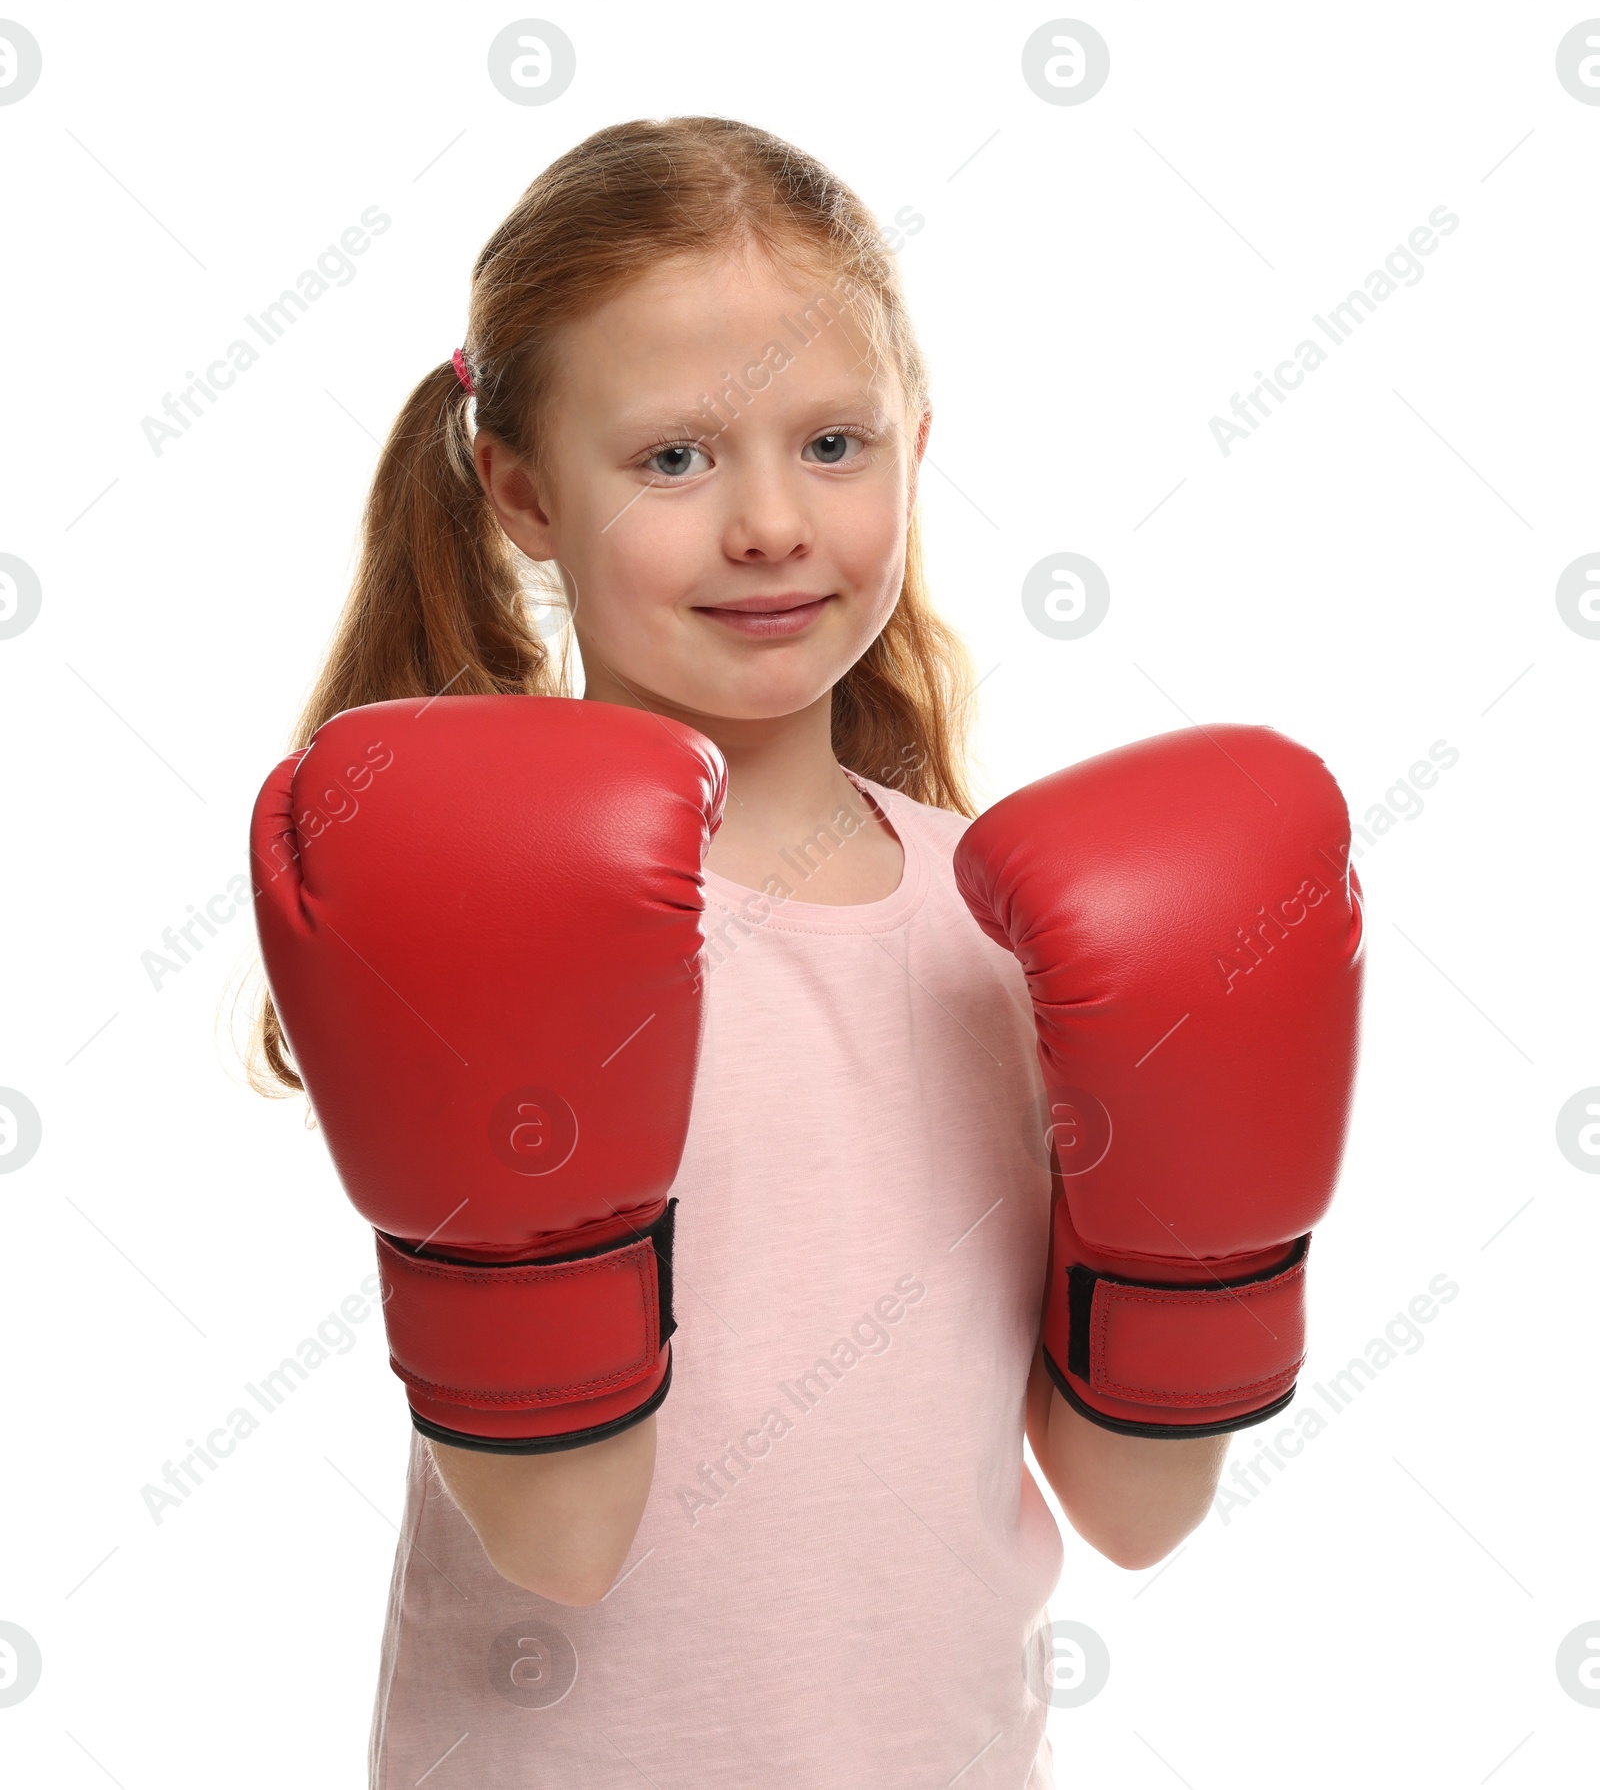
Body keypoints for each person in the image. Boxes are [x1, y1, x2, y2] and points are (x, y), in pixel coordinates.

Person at [246, 116, 1362, 1789]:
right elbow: (557, 1540)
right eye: (676, 459)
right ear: (520, 486)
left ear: (921, 442)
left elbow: (1136, 1511)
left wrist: (1201, 1254)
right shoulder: (465, 896)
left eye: (833, 442)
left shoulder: (1006, 929)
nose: (771, 521)